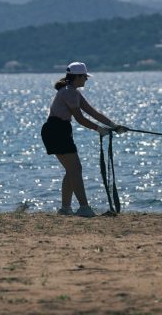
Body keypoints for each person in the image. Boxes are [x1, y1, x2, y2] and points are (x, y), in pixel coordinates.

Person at [40, 62, 125, 217]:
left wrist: (114, 125)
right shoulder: (69, 92)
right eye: (85, 77)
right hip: (57, 130)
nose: (86, 80)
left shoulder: (73, 92)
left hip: (57, 130)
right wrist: (99, 129)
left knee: (71, 170)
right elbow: (80, 118)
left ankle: (65, 208)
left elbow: (93, 112)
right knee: (75, 169)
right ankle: (84, 208)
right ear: (77, 77)